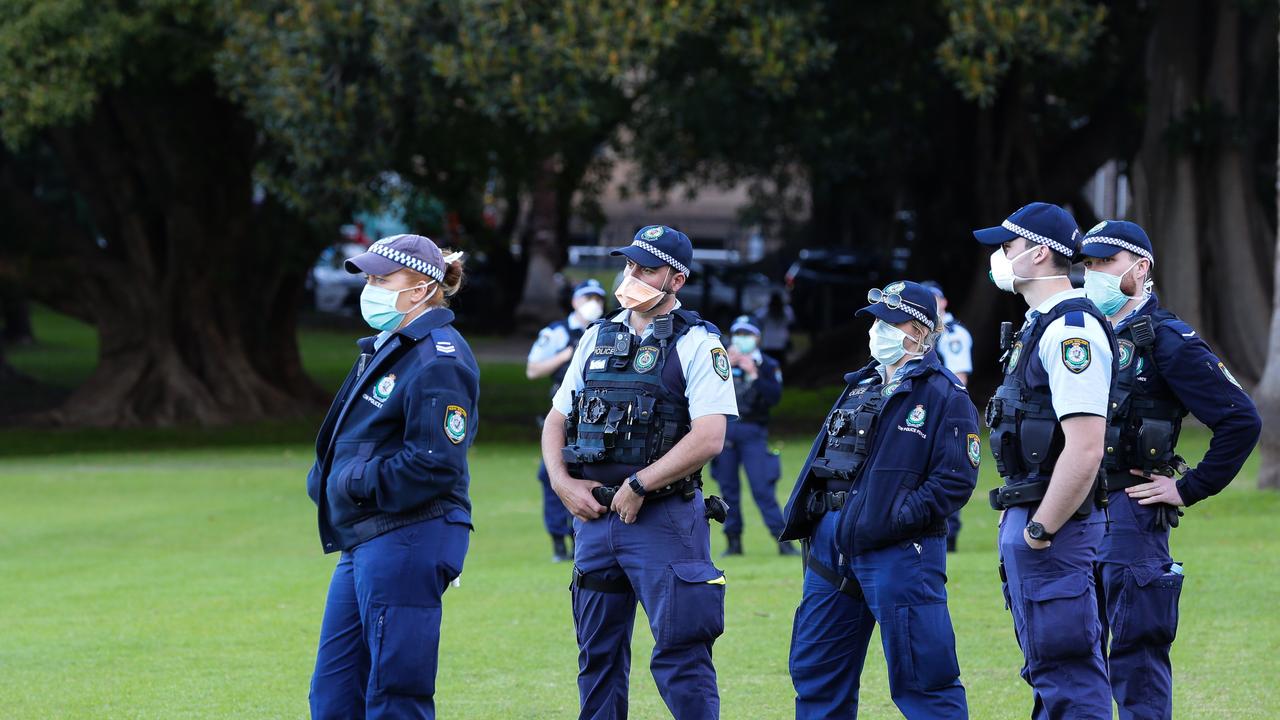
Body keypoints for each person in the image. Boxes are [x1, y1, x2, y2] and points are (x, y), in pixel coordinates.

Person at [541, 224, 738, 720]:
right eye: (628, 265)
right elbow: (556, 419)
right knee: (598, 658)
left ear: (676, 279)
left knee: (682, 656)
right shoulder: (595, 337)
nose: (631, 276)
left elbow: (710, 436)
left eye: (646, 268)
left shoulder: (698, 343)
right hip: (595, 520)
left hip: (664, 520)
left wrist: (639, 485)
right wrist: (563, 484)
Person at [1078, 220, 1262, 720]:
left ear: (1140, 268)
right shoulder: (1081, 335)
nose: (1093, 274)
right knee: (1071, 653)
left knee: (1137, 656)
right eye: (1088, 264)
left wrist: (1188, 488)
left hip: (1130, 513)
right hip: (1073, 511)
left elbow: (1240, 420)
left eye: (1105, 263)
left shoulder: (1167, 340)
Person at [780, 280, 979, 719]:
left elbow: (955, 479)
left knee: (924, 679)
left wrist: (896, 519)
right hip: (830, 546)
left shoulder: (946, 394)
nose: (877, 331)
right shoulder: (861, 385)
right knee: (816, 673)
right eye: (875, 321)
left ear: (918, 329)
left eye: (888, 322)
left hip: (899, 550)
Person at [307, 234, 478, 719]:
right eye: (369, 278)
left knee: (395, 694)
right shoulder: (392, 347)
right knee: (335, 694)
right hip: (366, 534)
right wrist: (325, 476)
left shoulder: (438, 358)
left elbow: (434, 461)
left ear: (422, 289)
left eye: (383, 278)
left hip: (409, 534)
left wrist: (348, 482)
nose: (371, 287)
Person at [975, 202, 1117, 718]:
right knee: (1046, 670)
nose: (999, 257)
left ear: (1038, 254)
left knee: (1068, 673)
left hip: (1054, 527)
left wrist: (1039, 530)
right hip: (1034, 516)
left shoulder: (1070, 330)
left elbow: (1084, 447)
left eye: (1007, 247)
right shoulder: (1039, 325)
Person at [527, 279, 608, 561]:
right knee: (551, 474)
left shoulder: (607, 330)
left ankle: (583, 541)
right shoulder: (558, 332)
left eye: (598, 298)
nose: (593, 303)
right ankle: (558, 541)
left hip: (597, 419)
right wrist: (566, 356)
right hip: (565, 417)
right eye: (588, 297)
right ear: (574, 301)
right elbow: (533, 369)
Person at [712, 315, 798, 557]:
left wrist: (754, 374)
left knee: (762, 487)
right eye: (738, 334)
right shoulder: (719, 361)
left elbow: (774, 398)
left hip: (754, 432)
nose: (742, 339)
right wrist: (725, 366)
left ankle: (783, 540)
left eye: (747, 334)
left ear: (758, 338)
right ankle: (733, 542)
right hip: (726, 432)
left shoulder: (768, 365)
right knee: (728, 489)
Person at [922, 281, 974, 554]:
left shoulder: (952, 335)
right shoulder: (927, 333)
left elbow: (959, 378)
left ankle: (949, 536)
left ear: (944, 302)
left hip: (944, 412)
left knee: (947, 469)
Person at [755, 291, 796, 373]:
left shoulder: (786, 311)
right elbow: (757, 317)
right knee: (767, 366)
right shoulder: (766, 312)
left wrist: (780, 308)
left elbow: (791, 320)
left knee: (781, 367)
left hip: (781, 345)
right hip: (768, 345)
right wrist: (769, 308)